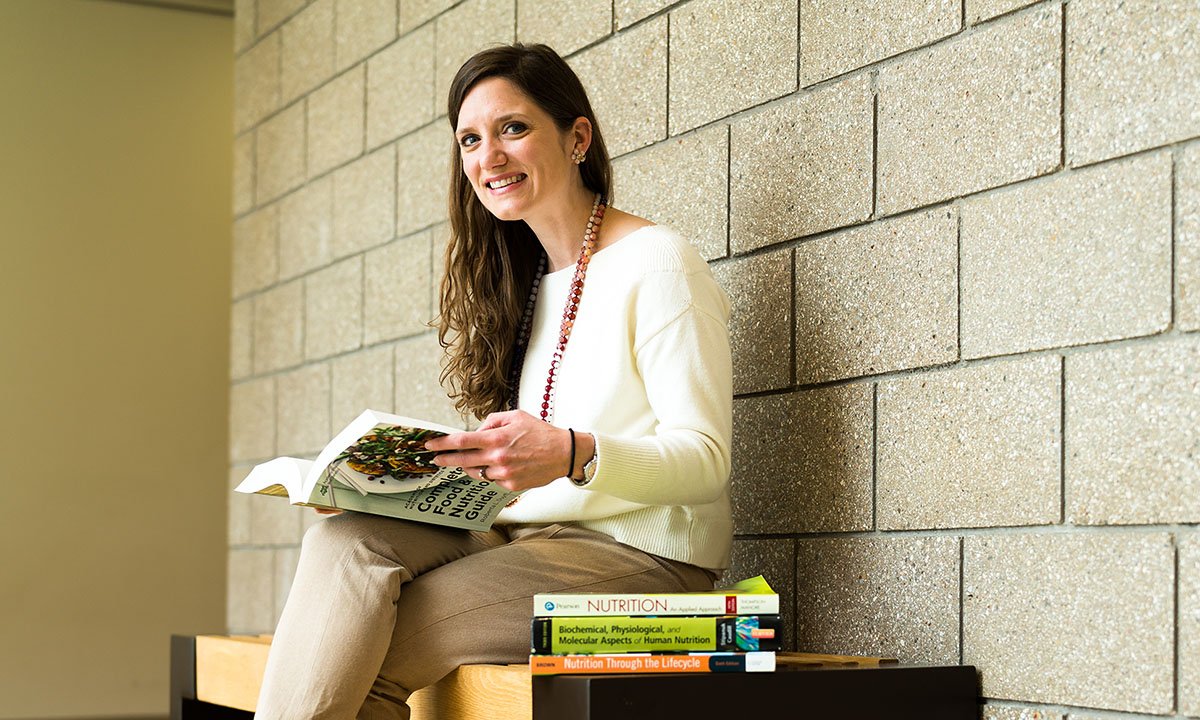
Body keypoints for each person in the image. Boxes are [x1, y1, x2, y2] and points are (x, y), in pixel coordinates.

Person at [253, 42, 733, 719]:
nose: (489, 156)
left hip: (647, 566)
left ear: (576, 138)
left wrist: (570, 451)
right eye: (470, 140)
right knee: (343, 539)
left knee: (363, 657)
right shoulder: (530, 284)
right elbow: (522, 482)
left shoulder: (658, 264)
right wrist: (380, 494)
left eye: (513, 128)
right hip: (526, 541)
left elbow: (706, 463)